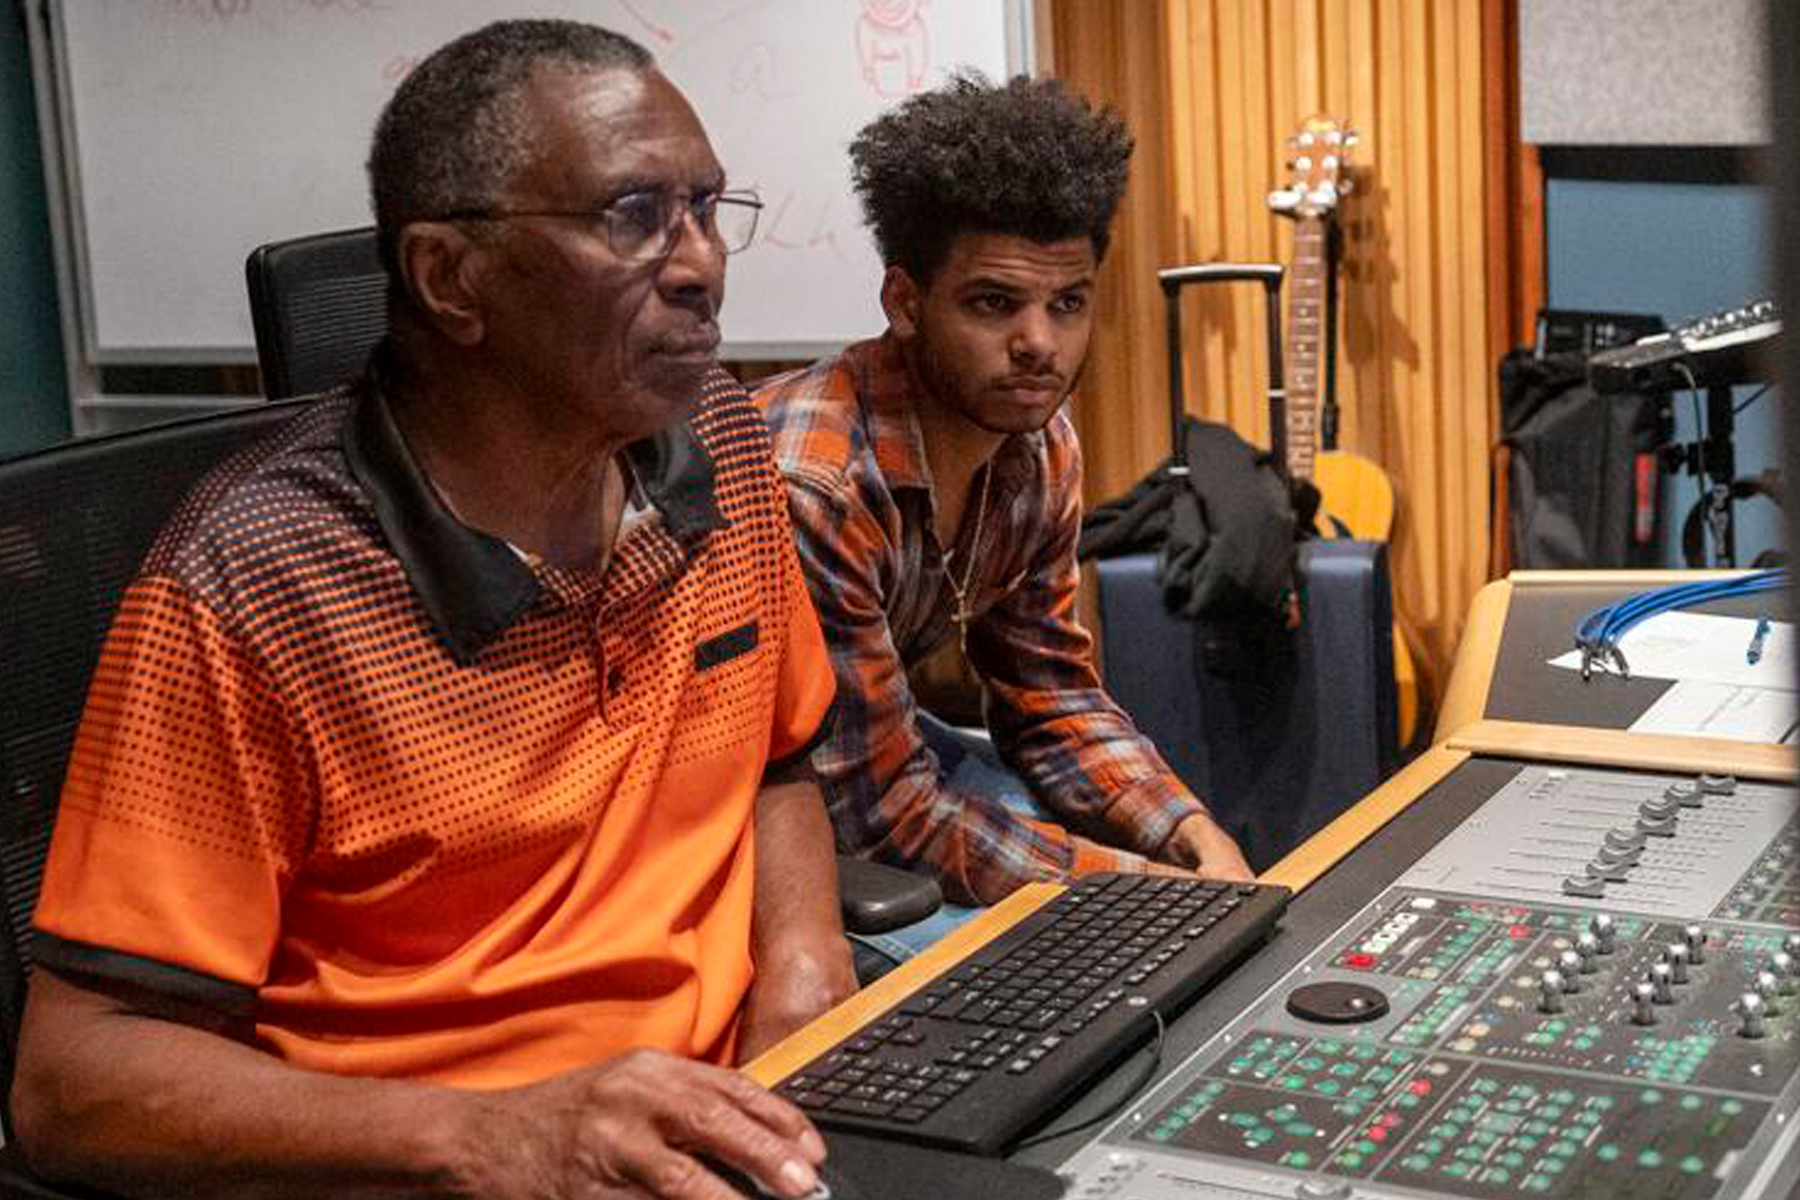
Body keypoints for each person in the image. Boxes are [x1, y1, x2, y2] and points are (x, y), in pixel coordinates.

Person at [11, 20, 854, 1200]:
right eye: (634, 217)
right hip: (459, 1167)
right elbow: (69, 1084)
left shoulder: (715, 437)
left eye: (708, 208)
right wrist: (495, 1137)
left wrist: (806, 963)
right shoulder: (252, 584)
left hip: (738, 1129)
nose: (701, 262)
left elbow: (779, 764)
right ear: (451, 278)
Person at [755, 72, 1254, 967]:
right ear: (904, 304)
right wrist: (1136, 897)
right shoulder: (816, 486)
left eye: (1068, 304)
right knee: (1058, 968)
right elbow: (883, 815)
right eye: (995, 304)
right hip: (749, 807)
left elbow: (1049, 695)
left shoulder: (1039, 445)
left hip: (880, 756)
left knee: (1127, 856)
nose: (1040, 343)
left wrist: (1188, 833)